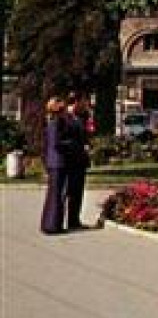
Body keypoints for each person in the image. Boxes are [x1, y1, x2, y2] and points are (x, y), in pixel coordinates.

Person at [39, 97, 72, 234]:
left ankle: (49, 223)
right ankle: (53, 225)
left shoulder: (50, 122)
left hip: (53, 162)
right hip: (59, 162)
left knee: (53, 194)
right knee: (58, 195)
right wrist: (70, 143)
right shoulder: (57, 123)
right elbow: (57, 143)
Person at [63, 94, 93, 230]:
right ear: (76, 102)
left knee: (78, 192)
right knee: (69, 191)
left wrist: (86, 144)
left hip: (80, 160)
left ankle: (74, 220)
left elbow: (85, 135)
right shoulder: (65, 118)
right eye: (83, 101)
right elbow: (63, 138)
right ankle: (62, 220)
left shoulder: (82, 116)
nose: (86, 104)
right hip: (70, 160)